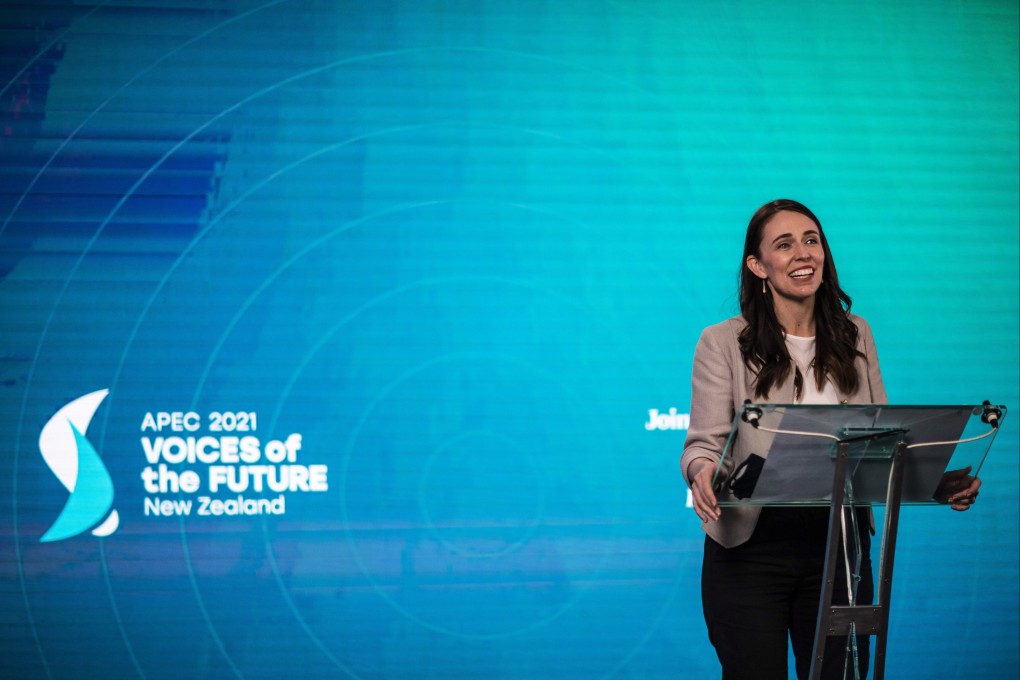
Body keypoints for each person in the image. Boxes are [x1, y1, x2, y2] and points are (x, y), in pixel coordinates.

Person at [680, 199, 981, 680]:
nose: (803, 253)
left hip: (841, 548)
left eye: (811, 240)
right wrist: (701, 474)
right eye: (784, 244)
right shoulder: (722, 342)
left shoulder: (855, 334)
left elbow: (884, 443)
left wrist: (934, 483)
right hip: (751, 550)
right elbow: (702, 446)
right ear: (758, 266)